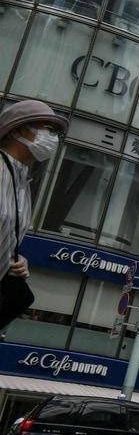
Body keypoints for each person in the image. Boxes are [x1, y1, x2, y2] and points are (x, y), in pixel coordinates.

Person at [0, 101, 67, 339]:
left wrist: (12, 257)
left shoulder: (22, 182)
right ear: (17, 130)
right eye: (44, 128)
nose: (51, 137)